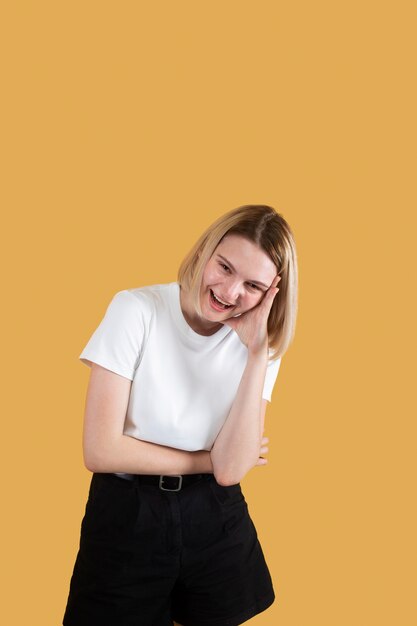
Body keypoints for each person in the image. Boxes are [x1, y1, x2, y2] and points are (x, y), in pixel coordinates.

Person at [62, 204, 298, 626]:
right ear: (206, 250)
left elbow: (230, 474)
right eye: (224, 267)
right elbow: (100, 450)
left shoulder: (262, 346)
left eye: (253, 285)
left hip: (215, 516)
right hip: (127, 511)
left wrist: (257, 354)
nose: (229, 291)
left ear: (270, 295)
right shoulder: (136, 309)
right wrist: (207, 460)